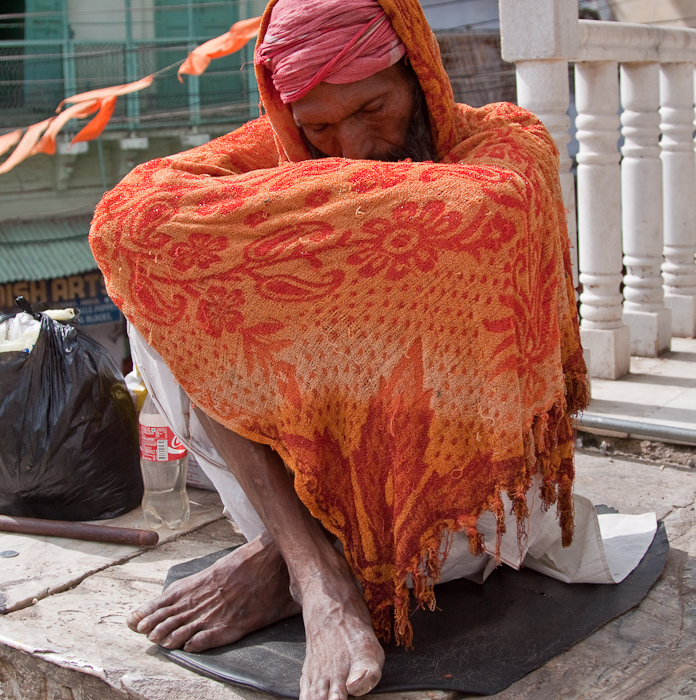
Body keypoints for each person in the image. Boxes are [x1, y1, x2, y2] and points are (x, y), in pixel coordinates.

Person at [89, 0, 593, 697]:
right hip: (295, 479)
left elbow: (469, 212)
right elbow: (131, 217)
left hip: (452, 514)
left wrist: (279, 223)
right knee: (169, 283)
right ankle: (315, 570)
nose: (352, 145)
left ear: (418, 74)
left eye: (373, 108)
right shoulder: (277, 148)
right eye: (319, 126)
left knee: (413, 250)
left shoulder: (507, 150)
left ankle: (289, 556)